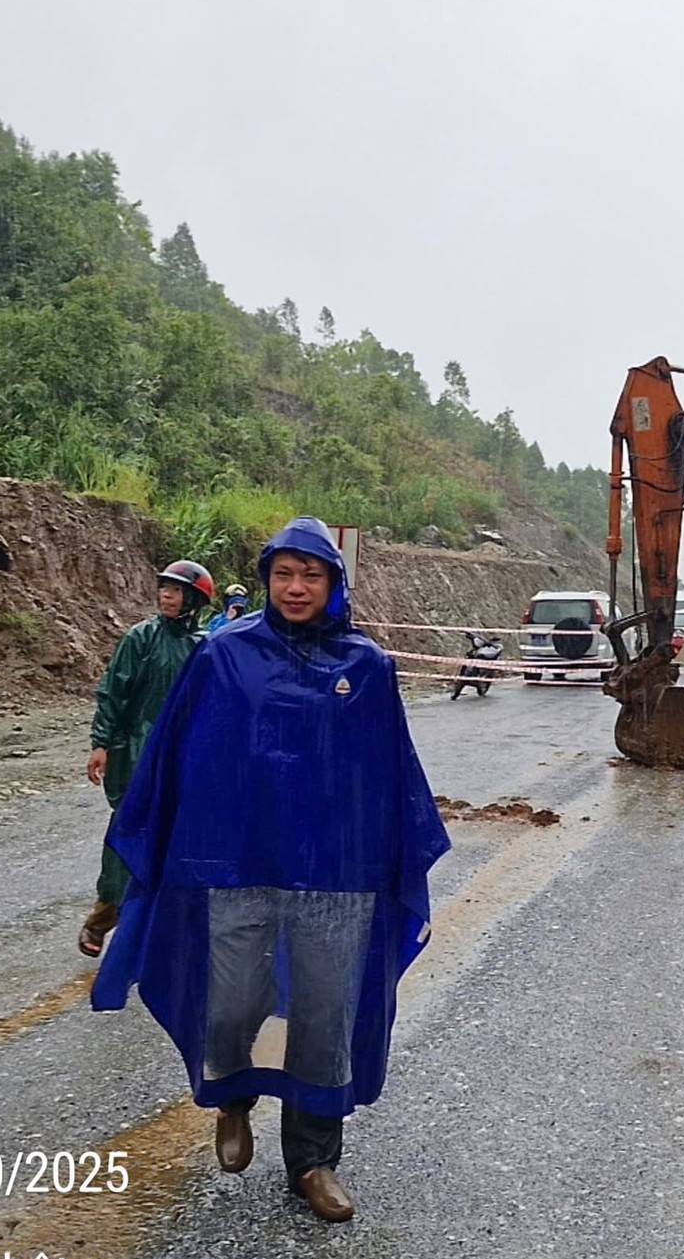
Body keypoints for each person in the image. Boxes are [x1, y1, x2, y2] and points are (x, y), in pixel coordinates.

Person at [93, 517, 450, 1222]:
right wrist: (161, 834)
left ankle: (313, 1162)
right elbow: (178, 752)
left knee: (323, 1014)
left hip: (334, 871)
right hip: (236, 859)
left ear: (333, 583)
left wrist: (393, 859)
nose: (295, 587)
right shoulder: (225, 656)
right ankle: (232, 1099)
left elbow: (388, 773)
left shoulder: (367, 667)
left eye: (310, 575)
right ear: (266, 580)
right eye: (284, 574)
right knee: (232, 1000)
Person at [80, 559, 212, 956]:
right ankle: (101, 921)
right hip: (135, 756)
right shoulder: (141, 639)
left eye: (176, 590)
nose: (167, 596)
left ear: (194, 599)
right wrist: (101, 743)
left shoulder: (202, 648)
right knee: (127, 839)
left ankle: (164, 935)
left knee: (179, 845)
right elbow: (113, 693)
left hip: (182, 761)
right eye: (164, 589)